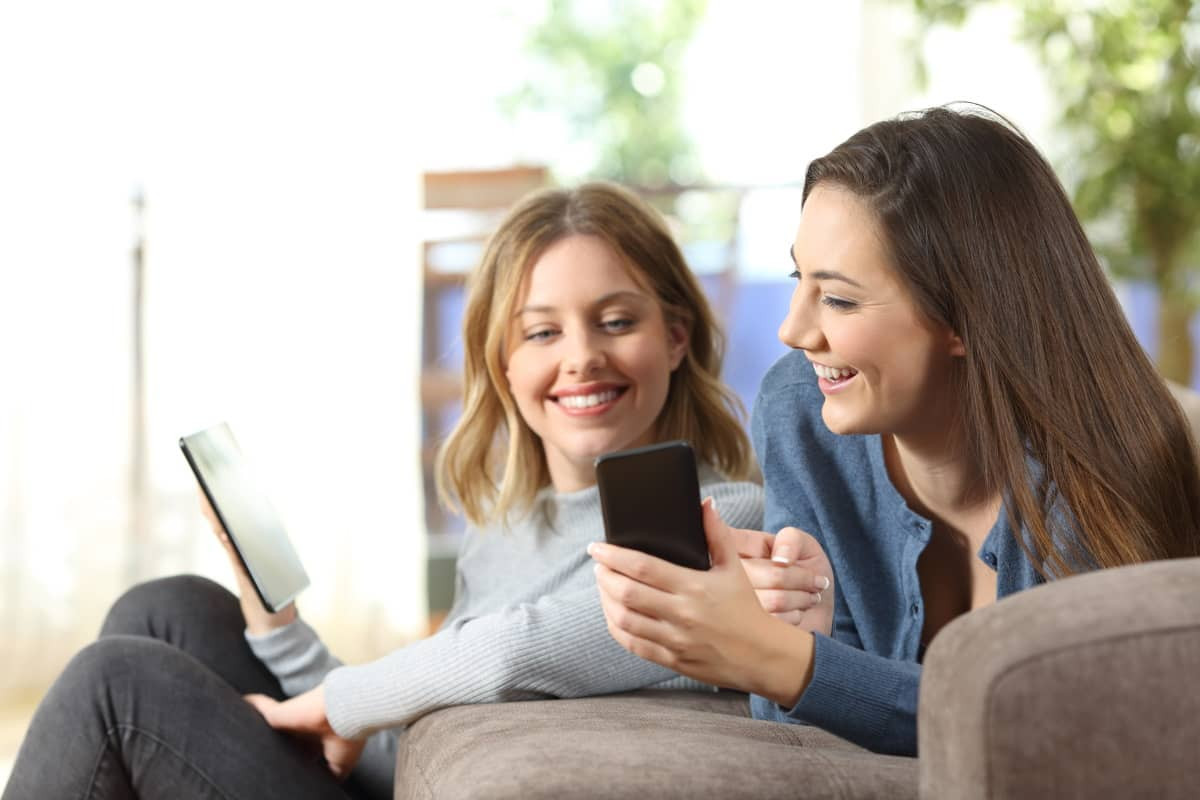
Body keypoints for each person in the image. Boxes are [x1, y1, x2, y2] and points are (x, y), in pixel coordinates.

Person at [3, 182, 832, 800]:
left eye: (617, 321)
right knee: (168, 607)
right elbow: (397, 745)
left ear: (676, 337)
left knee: (114, 685)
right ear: (505, 365)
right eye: (542, 331)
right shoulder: (505, 531)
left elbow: (518, 651)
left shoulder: (725, 523)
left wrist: (341, 698)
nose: (581, 356)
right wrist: (281, 630)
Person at [589, 105, 1200, 757]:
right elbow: (813, 748)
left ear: (966, 317)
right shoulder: (803, 414)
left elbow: (1073, 733)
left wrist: (782, 660)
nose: (792, 332)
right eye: (801, 279)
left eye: (840, 299)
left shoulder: (1103, 465)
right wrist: (799, 631)